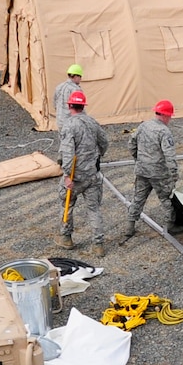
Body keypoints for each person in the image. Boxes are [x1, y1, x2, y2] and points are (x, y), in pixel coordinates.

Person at [57, 89, 109, 252]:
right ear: (83, 106)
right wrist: (96, 157)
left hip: (75, 176)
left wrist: (66, 175)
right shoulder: (92, 122)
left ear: (70, 106)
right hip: (92, 175)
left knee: (67, 205)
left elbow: (67, 152)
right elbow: (104, 142)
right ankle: (98, 245)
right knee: (94, 209)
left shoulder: (69, 126)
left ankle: (66, 238)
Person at [124, 100, 181, 241]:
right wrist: (173, 173)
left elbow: (131, 144)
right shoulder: (164, 131)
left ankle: (130, 226)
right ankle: (170, 225)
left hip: (142, 170)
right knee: (166, 198)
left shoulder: (143, 126)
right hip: (159, 173)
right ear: (166, 115)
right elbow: (169, 155)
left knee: (138, 198)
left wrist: (138, 159)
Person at [52, 65, 85, 149]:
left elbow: (54, 104)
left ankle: (62, 159)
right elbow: (80, 107)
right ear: (75, 76)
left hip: (60, 121)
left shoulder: (59, 87)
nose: (80, 79)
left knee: (63, 143)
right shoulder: (76, 90)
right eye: (80, 76)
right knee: (74, 145)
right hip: (72, 122)